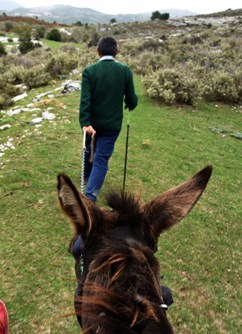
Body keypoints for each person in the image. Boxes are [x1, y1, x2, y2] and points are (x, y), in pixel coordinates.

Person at [79, 36, 138, 202]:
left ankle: (88, 181)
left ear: (98, 51)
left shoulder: (89, 71)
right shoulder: (125, 70)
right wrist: (131, 104)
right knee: (101, 158)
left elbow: (85, 101)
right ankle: (90, 195)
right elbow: (132, 100)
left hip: (92, 124)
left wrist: (85, 123)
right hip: (112, 125)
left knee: (89, 150)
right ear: (116, 52)